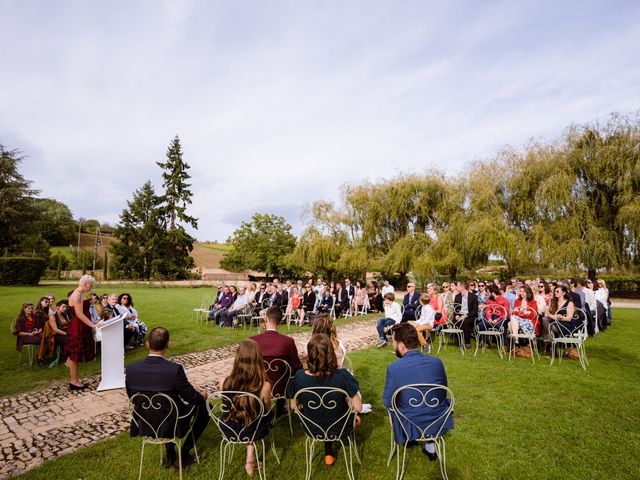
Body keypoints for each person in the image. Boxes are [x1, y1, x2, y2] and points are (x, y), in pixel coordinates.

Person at [126, 327, 209, 470]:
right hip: (171, 422)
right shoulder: (174, 369)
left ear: (147, 344)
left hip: (145, 420)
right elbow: (192, 398)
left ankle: (171, 454)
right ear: (168, 344)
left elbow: (132, 397)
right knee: (206, 407)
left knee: (167, 410)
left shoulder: (132, 368)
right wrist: (202, 396)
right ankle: (183, 452)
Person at [287, 334, 362, 466]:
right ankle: (329, 452)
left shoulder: (298, 377)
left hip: (312, 427)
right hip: (340, 427)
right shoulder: (343, 376)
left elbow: (293, 406)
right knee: (355, 418)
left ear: (309, 354)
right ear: (330, 353)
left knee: (325, 414)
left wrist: (306, 404)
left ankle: (328, 453)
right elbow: (359, 407)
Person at [382, 323, 453, 461]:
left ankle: (409, 436)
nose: (393, 345)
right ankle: (430, 445)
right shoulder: (437, 361)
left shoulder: (394, 367)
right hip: (436, 418)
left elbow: (386, 401)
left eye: (393, 342)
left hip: (409, 420)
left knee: (394, 406)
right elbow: (442, 391)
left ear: (401, 345)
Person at [219, 339, 272, 476]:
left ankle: (250, 459)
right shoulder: (264, 386)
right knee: (258, 416)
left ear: (237, 358)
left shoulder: (223, 383)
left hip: (230, 428)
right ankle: (250, 460)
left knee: (248, 417)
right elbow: (267, 409)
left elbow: (227, 406)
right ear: (258, 359)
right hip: (255, 428)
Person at [250, 307, 303, 399]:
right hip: (281, 390)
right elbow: (296, 366)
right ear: (280, 321)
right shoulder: (288, 341)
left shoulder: (253, 341)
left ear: (266, 319)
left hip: (257, 388)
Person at [65, 275, 98, 390]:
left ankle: (75, 380)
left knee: (74, 355)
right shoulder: (77, 295)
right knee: (74, 355)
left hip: (80, 327)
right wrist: (93, 325)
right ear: (85, 284)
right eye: (91, 285)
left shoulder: (79, 294)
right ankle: (74, 382)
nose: (91, 287)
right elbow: (79, 314)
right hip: (77, 328)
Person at [37, 299, 70, 367]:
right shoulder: (52, 317)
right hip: (57, 335)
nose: (65, 308)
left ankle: (73, 357)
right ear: (57, 307)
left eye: (66, 307)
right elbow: (55, 329)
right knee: (68, 340)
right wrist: (67, 334)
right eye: (63, 307)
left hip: (66, 332)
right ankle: (66, 359)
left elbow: (69, 324)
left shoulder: (65, 315)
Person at [508, 285, 538, 354]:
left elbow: (533, 314)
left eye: (523, 292)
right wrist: (524, 313)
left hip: (529, 322)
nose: (521, 293)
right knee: (511, 320)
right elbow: (515, 312)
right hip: (518, 320)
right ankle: (516, 340)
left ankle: (516, 342)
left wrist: (521, 314)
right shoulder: (517, 301)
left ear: (528, 292)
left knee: (510, 323)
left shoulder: (533, 302)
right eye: (520, 291)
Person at [453, 281, 478, 349]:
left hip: (470, 315)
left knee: (465, 321)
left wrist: (466, 315)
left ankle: (467, 342)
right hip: (460, 314)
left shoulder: (473, 296)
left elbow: (475, 311)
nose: (456, 287)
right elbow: (455, 308)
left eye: (457, 286)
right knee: (455, 320)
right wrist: (456, 315)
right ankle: (458, 340)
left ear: (462, 287)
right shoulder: (457, 296)